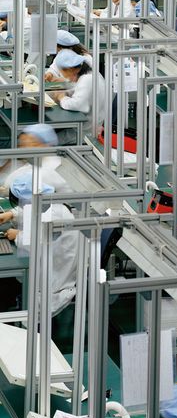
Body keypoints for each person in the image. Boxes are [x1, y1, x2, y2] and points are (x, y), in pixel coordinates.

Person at [0, 175, 78, 316]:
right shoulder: (48, 203)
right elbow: (32, 211)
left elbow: (35, 244)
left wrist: (17, 235)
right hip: (51, 261)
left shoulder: (55, 215)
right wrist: (11, 214)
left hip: (54, 282)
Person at [49, 50, 107, 141]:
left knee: (49, 142)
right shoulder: (89, 75)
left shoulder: (87, 79)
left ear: (71, 69)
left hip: (85, 132)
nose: (65, 77)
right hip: (86, 125)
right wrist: (66, 93)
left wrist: (62, 97)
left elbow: (77, 105)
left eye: (64, 73)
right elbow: (78, 90)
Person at [1, 125, 68, 192]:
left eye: (30, 143)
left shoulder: (53, 166)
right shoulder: (35, 162)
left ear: (44, 145)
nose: (23, 147)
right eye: (22, 143)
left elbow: (21, 188)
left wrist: (6, 189)